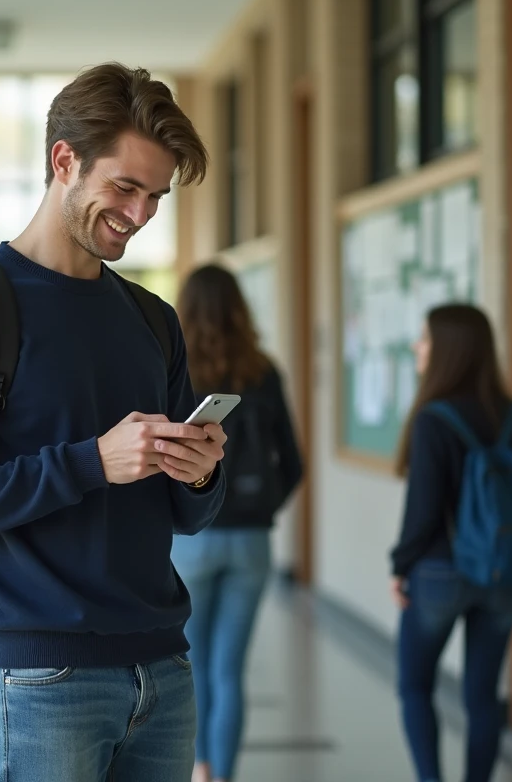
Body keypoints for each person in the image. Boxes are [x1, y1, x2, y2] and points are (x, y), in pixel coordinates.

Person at [0, 62, 226, 782]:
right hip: (43, 677)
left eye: (156, 197)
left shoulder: (152, 321)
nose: (139, 214)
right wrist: (90, 462)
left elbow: (185, 515)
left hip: (164, 668)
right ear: (64, 161)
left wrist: (200, 473)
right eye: (125, 188)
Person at [390, 304, 512, 782]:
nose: (417, 347)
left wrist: (401, 567)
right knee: (483, 697)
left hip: (439, 572)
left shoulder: (433, 420)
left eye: (425, 339)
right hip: (501, 571)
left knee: (416, 687)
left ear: (449, 351)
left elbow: (422, 513)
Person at [171, 264, 304, 782]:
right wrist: (263, 509)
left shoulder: (175, 370)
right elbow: (293, 463)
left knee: (192, 667)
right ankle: (222, 774)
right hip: (252, 541)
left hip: (191, 541)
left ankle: (199, 769)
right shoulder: (263, 371)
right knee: (229, 671)